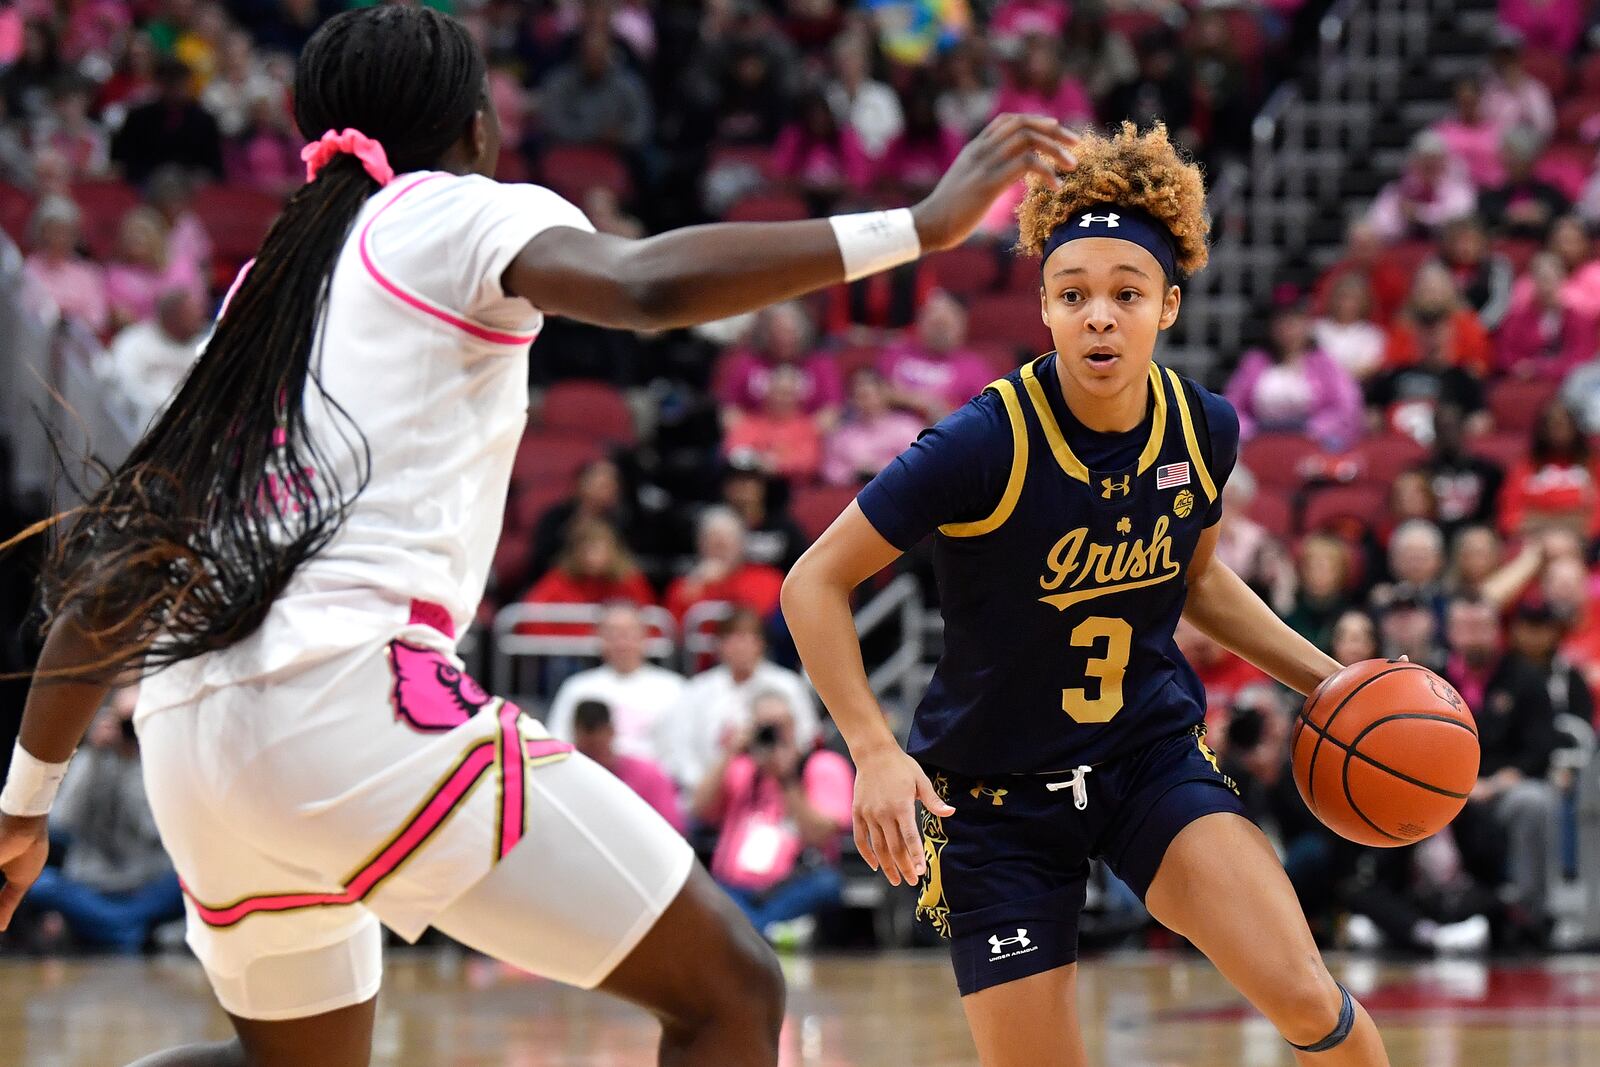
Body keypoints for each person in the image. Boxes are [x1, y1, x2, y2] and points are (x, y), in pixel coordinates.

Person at [0, 7, 1078, 1063]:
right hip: (345, 699)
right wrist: (920, 227)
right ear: (476, 128)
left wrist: (21, 804)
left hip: (194, 732)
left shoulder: (259, 294)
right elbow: (644, 285)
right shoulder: (449, 210)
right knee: (731, 994)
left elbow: (119, 575)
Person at [782, 122, 1394, 1065]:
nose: (1099, 315)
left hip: (1144, 761)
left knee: (1309, 997)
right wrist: (871, 748)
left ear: (1168, 306)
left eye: (1125, 294)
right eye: (1073, 296)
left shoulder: (1205, 429)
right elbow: (813, 582)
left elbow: (1197, 581)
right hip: (992, 804)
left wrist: (1332, 682)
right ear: (1045, 308)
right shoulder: (982, 442)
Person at [17, 685, 183, 954]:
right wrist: (92, 753)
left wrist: (139, 758)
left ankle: (113, 928)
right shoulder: (93, 758)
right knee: (38, 884)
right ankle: (127, 929)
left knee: (191, 882)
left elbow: (156, 829)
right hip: (91, 889)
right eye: (125, 721)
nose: (131, 729)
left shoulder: (163, 763)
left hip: (145, 889)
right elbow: (61, 820)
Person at [1442, 597, 1560, 950]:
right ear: (1450, 632)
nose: (1473, 636)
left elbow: (1541, 749)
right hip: (1445, 790)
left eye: (1481, 627)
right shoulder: (1433, 678)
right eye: (1465, 627)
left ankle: (1528, 915)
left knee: (1534, 802)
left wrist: (1496, 782)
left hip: (1504, 788)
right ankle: (1433, 914)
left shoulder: (1525, 678)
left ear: (1497, 631)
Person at [693, 690, 854, 940]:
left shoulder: (823, 766)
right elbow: (698, 810)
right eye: (764, 727)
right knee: (703, 889)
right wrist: (729, 752)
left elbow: (821, 835)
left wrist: (787, 778)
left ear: (796, 726)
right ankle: (765, 932)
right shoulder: (742, 768)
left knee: (826, 884)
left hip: (794, 884)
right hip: (733, 886)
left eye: (781, 725)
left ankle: (748, 933)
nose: (773, 734)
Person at [658, 608, 821, 792]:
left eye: (748, 638)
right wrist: (702, 786)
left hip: (779, 791)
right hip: (710, 793)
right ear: (719, 644)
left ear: (761, 643)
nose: (740, 646)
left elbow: (807, 738)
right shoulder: (697, 689)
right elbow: (679, 748)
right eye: (733, 638)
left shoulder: (788, 684)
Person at [544, 603, 686, 762]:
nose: (621, 641)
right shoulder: (578, 688)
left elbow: (680, 751)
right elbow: (558, 741)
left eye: (628, 632)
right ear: (599, 637)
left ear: (645, 635)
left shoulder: (673, 688)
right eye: (612, 633)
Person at [573, 699, 686, 833]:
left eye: (597, 746)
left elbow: (672, 827)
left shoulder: (648, 774)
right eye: (588, 749)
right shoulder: (566, 775)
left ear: (611, 732)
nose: (595, 755)